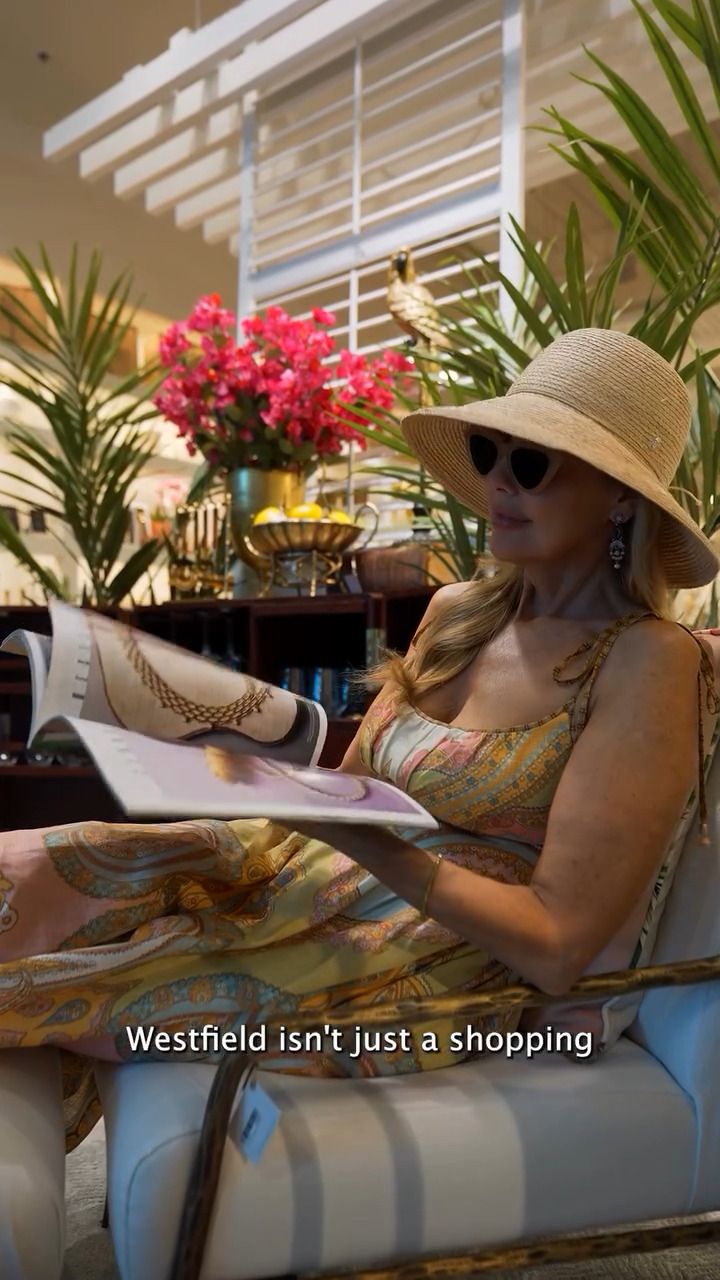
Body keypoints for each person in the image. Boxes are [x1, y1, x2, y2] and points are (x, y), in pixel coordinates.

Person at [0, 327, 718, 1151]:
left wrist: (365, 842)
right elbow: (354, 784)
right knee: (49, 866)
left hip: (424, 961)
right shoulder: (456, 614)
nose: (497, 481)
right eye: (488, 452)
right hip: (311, 873)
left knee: (101, 964)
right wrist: (234, 745)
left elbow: (558, 947)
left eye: (531, 464)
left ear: (620, 498)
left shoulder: (643, 660)